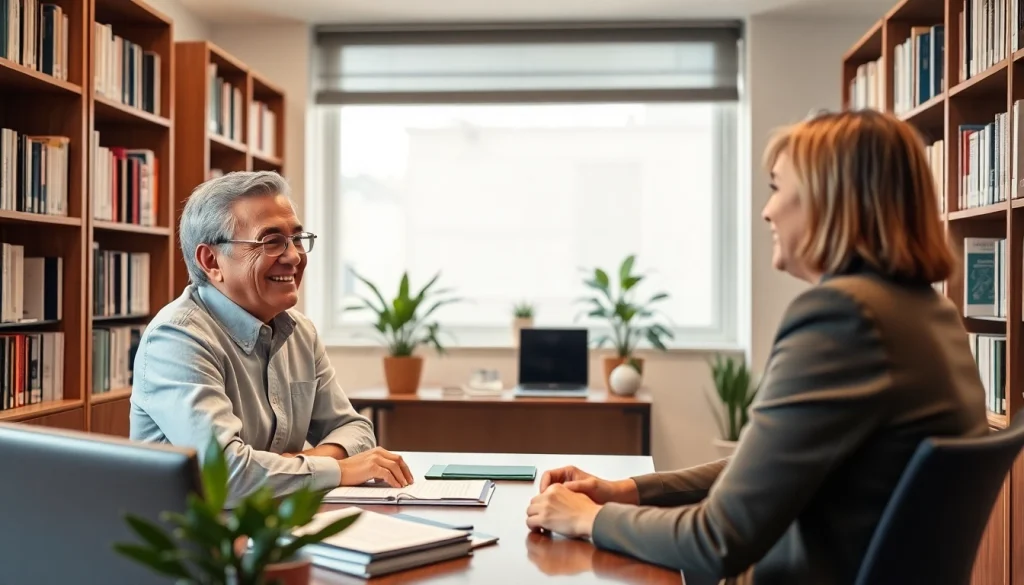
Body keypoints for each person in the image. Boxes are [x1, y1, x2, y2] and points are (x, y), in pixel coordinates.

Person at [524, 110, 989, 585]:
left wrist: (589, 519)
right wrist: (626, 491)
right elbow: (767, 468)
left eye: (777, 187)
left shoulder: (844, 318)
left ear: (828, 201)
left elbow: (717, 540)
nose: (767, 211)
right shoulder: (930, 314)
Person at [130, 171, 413, 506]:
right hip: (198, 535)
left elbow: (356, 429)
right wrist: (339, 469)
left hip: (275, 523)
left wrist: (304, 462)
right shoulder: (176, 339)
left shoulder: (300, 332)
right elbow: (228, 474)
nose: (294, 256)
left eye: (296, 239)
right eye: (271, 241)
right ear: (211, 261)